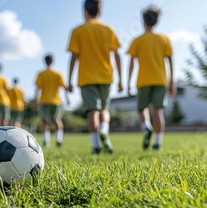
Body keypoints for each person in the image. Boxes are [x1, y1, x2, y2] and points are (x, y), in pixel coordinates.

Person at [67, 0, 123, 154]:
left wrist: (69, 80)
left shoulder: (77, 31)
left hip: (86, 77)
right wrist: (120, 79)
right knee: (104, 110)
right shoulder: (108, 29)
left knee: (92, 111)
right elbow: (117, 55)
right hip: (106, 76)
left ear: (84, 11)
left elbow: (73, 57)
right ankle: (104, 129)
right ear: (100, 12)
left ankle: (96, 145)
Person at [127, 6, 175, 151]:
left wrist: (128, 83)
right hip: (161, 80)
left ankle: (146, 127)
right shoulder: (164, 39)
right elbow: (170, 60)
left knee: (142, 109)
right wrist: (172, 81)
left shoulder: (137, 41)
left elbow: (131, 63)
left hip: (143, 81)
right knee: (158, 111)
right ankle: (157, 143)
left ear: (143, 22)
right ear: (156, 22)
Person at [35, 54, 70, 148]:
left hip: (44, 100)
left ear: (45, 61)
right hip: (56, 101)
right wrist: (68, 99)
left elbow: (38, 89)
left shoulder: (41, 74)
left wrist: (36, 100)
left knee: (45, 122)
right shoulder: (57, 74)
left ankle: (46, 141)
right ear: (52, 61)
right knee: (57, 120)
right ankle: (59, 139)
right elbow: (64, 88)